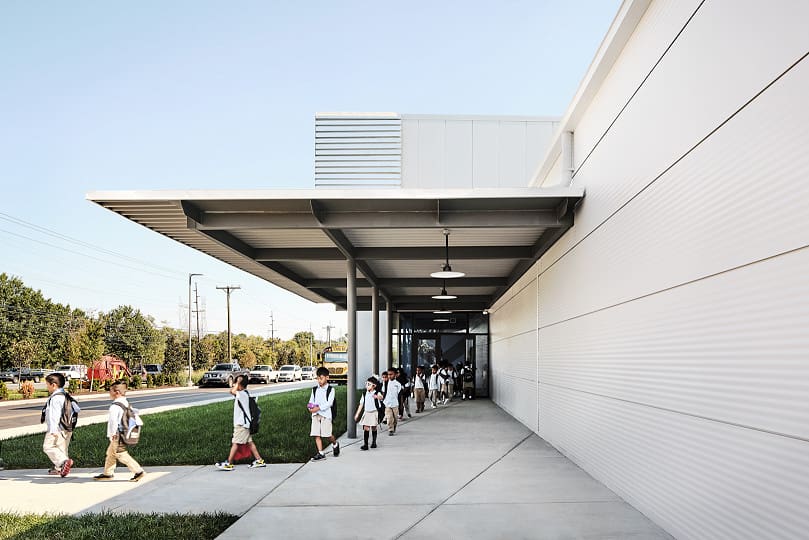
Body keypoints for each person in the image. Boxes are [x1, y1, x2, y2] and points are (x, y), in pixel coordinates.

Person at [93, 381, 145, 482]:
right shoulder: (126, 403)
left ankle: (139, 471)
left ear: (117, 392)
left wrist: (112, 434)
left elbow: (113, 422)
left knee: (120, 453)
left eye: (110, 391)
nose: (109, 393)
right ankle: (108, 473)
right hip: (123, 432)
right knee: (111, 453)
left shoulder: (115, 406)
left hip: (117, 434)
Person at [215, 374, 266, 471]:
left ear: (240, 385)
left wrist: (238, 383)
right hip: (245, 424)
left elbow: (232, 391)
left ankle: (229, 463)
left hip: (241, 424)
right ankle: (259, 460)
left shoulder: (242, 394)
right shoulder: (244, 394)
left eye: (236, 383)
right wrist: (238, 382)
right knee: (250, 442)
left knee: (235, 443)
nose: (234, 384)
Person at [41, 373, 77, 477]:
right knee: (61, 449)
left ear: (54, 385)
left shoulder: (55, 398)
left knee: (48, 446)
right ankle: (59, 469)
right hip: (67, 427)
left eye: (47, 385)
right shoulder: (65, 396)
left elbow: (54, 415)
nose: (47, 387)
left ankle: (63, 462)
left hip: (57, 428)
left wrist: (53, 430)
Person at [308, 367, 340, 460]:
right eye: (318, 378)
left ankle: (335, 444)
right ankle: (321, 453)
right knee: (316, 434)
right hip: (315, 415)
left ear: (327, 378)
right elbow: (311, 401)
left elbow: (329, 403)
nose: (319, 380)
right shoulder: (315, 389)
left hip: (326, 415)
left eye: (321, 378)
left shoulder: (331, 390)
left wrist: (318, 408)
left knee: (327, 435)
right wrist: (310, 407)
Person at [354, 376, 381, 450]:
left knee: (374, 427)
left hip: (374, 412)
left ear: (374, 386)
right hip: (367, 413)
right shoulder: (364, 394)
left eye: (369, 384)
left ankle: (374, 442)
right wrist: (357, 414)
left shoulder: (377, 393)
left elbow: (381, 397)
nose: (367, 385)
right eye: (366, 384)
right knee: (366, 428)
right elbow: (361, 404)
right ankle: (365, 444)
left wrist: (377, 397)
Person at [383, 369, 402, 435]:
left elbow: (399, 395)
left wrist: (400, 404)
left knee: (395, 418)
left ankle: (394, 427)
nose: (389, 376)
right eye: (388, 374)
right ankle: (390, 429)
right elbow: (383, 392)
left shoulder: (398, 384)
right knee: (389, 417)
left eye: (391, 374)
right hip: (387, 403)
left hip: (395, 404)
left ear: (395, 375)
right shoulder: (386, 383)